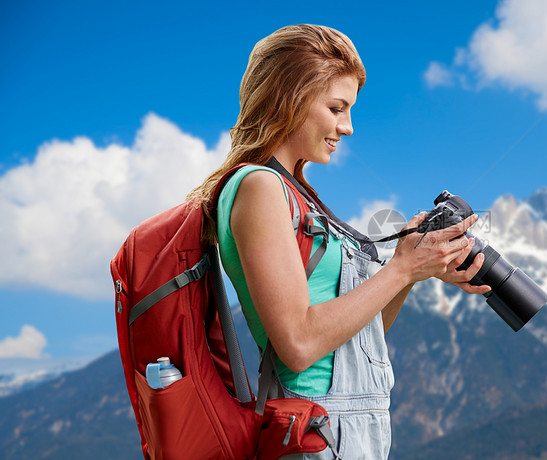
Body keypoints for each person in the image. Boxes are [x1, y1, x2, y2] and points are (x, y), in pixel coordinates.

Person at [187, 24, 490, 459]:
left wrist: (413, 271)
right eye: (336, 107)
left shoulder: (299, 193)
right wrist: (401, 268)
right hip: (316, 429)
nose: (347, 128)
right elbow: (298, 344)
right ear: (289, 97)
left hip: (351, 428)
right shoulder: (259, 187)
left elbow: (361, 335)